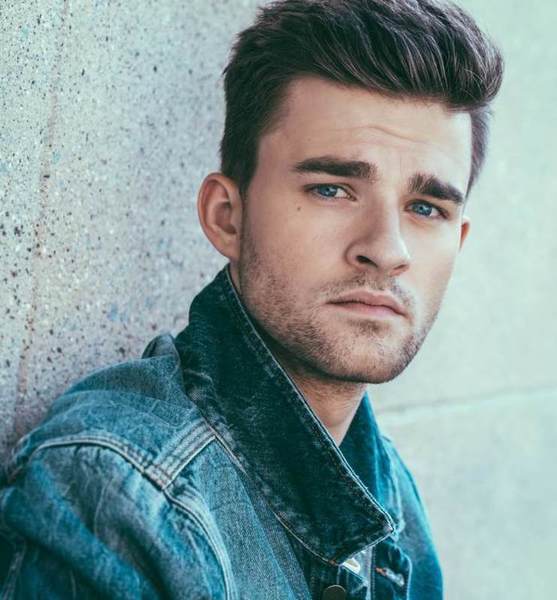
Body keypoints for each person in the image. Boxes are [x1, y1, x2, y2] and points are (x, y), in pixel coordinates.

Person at [0, 0, 503, 598]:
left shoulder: (388, 487)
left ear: (458, 241)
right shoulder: (118, 492)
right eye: (333, 189)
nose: (387, 250)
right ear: (227, 217)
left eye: (425, 208)